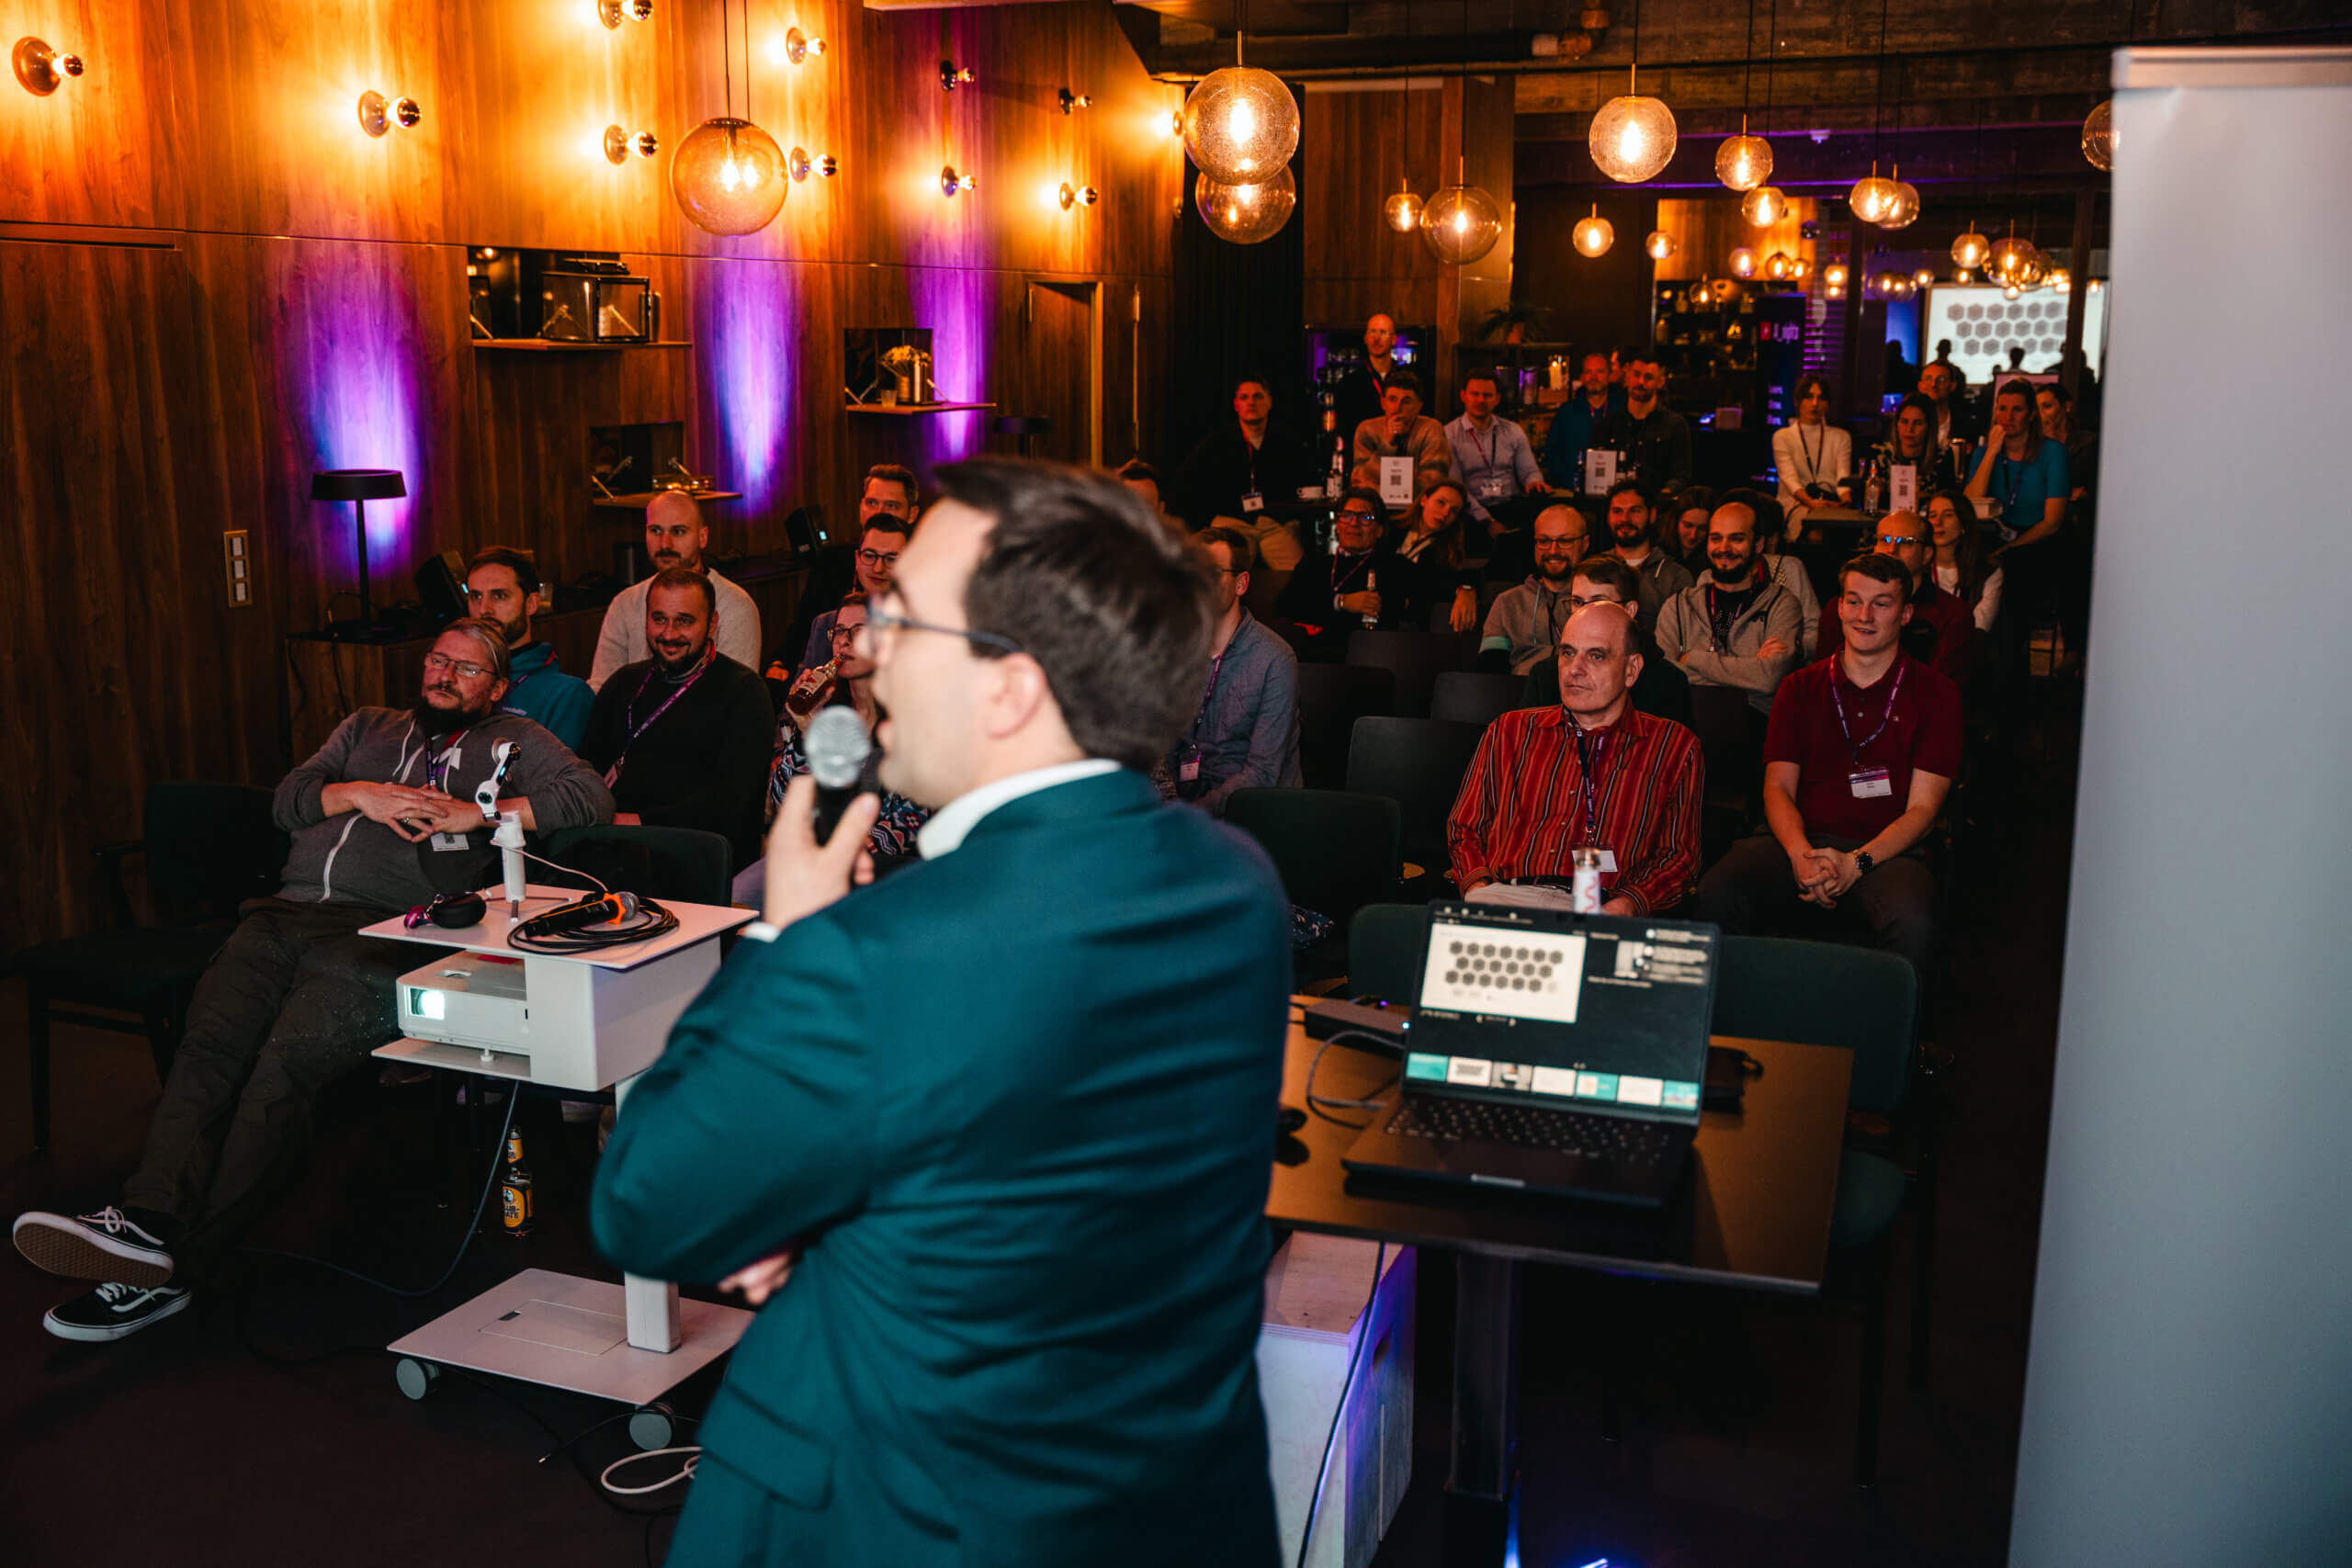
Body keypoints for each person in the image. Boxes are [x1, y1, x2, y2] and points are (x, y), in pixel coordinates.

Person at [591, 458, 1291, 1567]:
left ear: (1009, 689)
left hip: (904, 1514)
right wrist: (841, 1224)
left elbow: (649, 1202)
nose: (869, 647)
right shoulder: (1234, 885)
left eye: (904, 618)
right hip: (1159, 1502)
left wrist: (785, 938)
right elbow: (1036, 1168)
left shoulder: (882, 953)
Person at [11, 620, 613, 1341]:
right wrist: (360, 794)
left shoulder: (512, 739)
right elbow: (289, 799)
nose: (444, 675)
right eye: (436, 659)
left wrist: (478, 811)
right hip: (280, 916)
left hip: (385, 934)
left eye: (466, 668)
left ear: (498, 686)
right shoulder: (367, 726)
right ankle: (145, 1221)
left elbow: (589, 798)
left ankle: (172, 1267)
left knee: (282, 1070)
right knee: (208, 1050)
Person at [1692, 553, 1962, 978]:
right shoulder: (1799, 687)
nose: (1864, 616)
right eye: (1854, 601)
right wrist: (1801, 855)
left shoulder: (1938, 695)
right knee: (1715, 893)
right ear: (1838, 608)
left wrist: (1856, 863)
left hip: (1887, 853)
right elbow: (1777, 788)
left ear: (1906, 614)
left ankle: (1887, 1024)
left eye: (1881, 604)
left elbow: (1924, 811)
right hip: (1795, 841)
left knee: (1913, 921)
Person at [1446, 602, 1703, 915]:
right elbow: (1465, 828)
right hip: (1504, 898)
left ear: (1631, 670)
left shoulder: (1673, 746)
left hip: (1601, 907)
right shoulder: (1510, 731)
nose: (1575, 669)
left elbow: (1678, 857)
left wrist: (1627, 905)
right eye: (1568, 653)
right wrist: (1477, 888)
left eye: (1596, 656)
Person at [735, 593, 929, 906]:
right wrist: (805, 731)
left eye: (859, 630)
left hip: (880, 869)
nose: (845, 641)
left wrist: (840, 854)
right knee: (736, 901)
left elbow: (908, 821)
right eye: (839, 631)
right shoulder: (829, 712)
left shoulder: (911, 720)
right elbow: (783, 799)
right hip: (813, 858)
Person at [580, 568, 776, 872]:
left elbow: (733, 802)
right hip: (614, 848)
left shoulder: (744, 691)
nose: (669, 634)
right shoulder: (623, 683)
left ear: (712, 624)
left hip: (699, 858)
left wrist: (637, 822)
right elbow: (587, 766)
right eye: (659, 619)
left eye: (684, 621)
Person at [1166, 528, 1301, 815]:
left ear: (1241, 584)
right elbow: (1165, 747)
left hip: (1251, 812)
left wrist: (1192, 814)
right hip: (1186, 806)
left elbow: (1263, 773)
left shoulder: (1275, 659)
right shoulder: (1178, 650)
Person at [589, 492, 763, 689]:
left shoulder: (735, 605)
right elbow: (601, 689)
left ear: (702, 537)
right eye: (655, 530)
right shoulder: (625, 603)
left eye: (678, 531)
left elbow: (737, 694)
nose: (665, 544)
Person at [1656, 501, 1808, 721]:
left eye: (1736, 539)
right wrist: (1748, 669)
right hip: (1689, 727)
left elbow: (1768, 678)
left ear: (1758, 544)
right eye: (1716, 538)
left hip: (1754, 729)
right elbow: (1665, 678)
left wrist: (1692, 658)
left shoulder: (1782, 604)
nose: (1724, 548)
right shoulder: (1679, 605)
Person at [1817, 509, 1977, 685]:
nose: (1892, 549)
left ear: (1927, 554)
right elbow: (1823, 677)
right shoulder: (1842, 607)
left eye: (1906, 542)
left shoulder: (1953, 613)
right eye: (1884, 539)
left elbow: (1944, 688)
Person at [465, 546, 592, 749]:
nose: (484, 609)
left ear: (531, 603)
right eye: (475, 596)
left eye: (499, 596)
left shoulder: (567, 694)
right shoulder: (456, 676)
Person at [1173, 375, 1308, 537]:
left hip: (1274, 525)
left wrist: (1290, 520)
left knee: (1291, 553)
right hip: (1231, 525)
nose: (1251, 402)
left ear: (1269, 402)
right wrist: (1209, 519)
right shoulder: (1216, 443)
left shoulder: (1287, 443)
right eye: (1244, 397)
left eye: (1257, 396)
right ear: (1236, 405)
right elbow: (1185, 486)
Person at [1272, 487, 1393, 660]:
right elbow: (1285, 607)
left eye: (1365, 517)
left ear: (1380, 529)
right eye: (1347, 515)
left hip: (1363, 658)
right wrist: (1341, 602)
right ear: (1338, 525)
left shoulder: (1391, 568)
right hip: (1307, 658)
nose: (1354, 523)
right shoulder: (1313, 564)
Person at [797, 511, 915, 673]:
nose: (878, 568)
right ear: (857, 559)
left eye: (891, 559)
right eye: (869, 555)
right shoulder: (826, 624)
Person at [1478, 502, 1589, 675]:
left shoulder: (1598, 600)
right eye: (1544, 541)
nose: (1553, 550)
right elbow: (1491, 671)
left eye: (1565, 541)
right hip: (1519, 689)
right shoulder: (1507, 602)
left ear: (1585, 544)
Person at [1445, 370, 1549, 534]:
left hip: (1510, 505)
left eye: (1487, 395)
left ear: (1497, 399)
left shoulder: (1513, 431)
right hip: (1471, 510)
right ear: (1463, 396)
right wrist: (1488, 521)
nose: (1481, 400)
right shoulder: (1449, 435)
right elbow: (1456, 488)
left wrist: (1534, 482)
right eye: (1475, 394)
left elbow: (1529, 471)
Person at [1384, 479, 1481, 633]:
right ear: (1424, 500)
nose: (1445, 513)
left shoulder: (1448, 551)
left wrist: (1466, 590)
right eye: (1441, 502)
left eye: (1454, 510)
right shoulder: (1389, 530)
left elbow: (1456, 579)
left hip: (1414, 626)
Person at [1350, 370, 1451, 518]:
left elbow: (1433, 485)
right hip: (1373, 512)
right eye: (1392, 399)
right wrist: (1388, 444)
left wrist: (1383, 487)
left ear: (1418, 406)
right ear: (1383, 403)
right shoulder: (1366, 430)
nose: (1398, 408)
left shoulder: (1431, 429)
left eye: (1406, 401)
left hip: (1418, 513)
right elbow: (1359, 484)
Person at [1601, 479, 1695, 634]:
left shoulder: (1676, 577)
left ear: (1652, 515)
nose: (1625, 519)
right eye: (1617, 511)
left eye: (1635, 511)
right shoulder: (1595, 569)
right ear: (1608, 516)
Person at [1595, 351, 1694, 493]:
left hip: (1657, 503)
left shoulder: (1675, 425)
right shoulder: (1607, 424)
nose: (1641, 382)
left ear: (1660, 382)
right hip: (1615, 504)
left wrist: (1664, 495)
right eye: (1636, 375)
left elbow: (1682, 476)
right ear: (1627, 377)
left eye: (1648, 377)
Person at [1539, 351, 1628, 492]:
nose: (1593, 377)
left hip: (1616, 492)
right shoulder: (1567, 412)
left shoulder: (1623, 409)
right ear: (1582, 377)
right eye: (1588, 372)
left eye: (1599, 371)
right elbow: (1552, 452)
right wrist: (1566, 482)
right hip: (1573, 491)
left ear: (1609, 375)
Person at [1859, 394, 1965, 512]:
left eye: (1918, 423)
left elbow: (1948, 502)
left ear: (1929, 427)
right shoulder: (1878, 454)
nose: (1909, 429)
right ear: (1896, 424)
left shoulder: (1942, 456)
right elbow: (1862, 499)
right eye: (1904, 422)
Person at [1773, 375, 1854, 528]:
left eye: (1821, 398)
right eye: (1809, 397)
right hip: (1796, 504)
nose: (1815, 404)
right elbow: (1791, 482)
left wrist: (1845, 504)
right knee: (1815, 524)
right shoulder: (1782, 437)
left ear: (1828, 404)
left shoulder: (1841, 437)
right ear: (1798, 401)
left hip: (1831, 503)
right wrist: (1813, 504)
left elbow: (1843, 480)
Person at [1927, 489, 2002, 633]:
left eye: (1948, 515)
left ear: (1964, 523)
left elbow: (1979, 627)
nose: (1938, 522)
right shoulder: (1918, 569)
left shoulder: (1988, 572)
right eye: (1932, 516)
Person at [1331, 311, 1401, 440]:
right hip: (1364, 450)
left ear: (1394, 339)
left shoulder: (1406, 381)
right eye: (1372, 332)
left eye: (1383, 332)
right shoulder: (1348, 385)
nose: (1377, 338)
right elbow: (1345, 431)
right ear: (1366, 339)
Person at [1917, 359, 1980, 453]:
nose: (1933, 384)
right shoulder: (1908, 421)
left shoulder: (1966, 424)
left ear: (1952, 386)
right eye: (1928, 379)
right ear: (1920, 386)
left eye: (1941, 379)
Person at [1662, 483, 1715, 571]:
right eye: (1688, 525)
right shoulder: (1657, 551)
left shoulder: (1714, 560)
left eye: (1702, 528)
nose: (1693, 535)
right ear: (1676, 521)